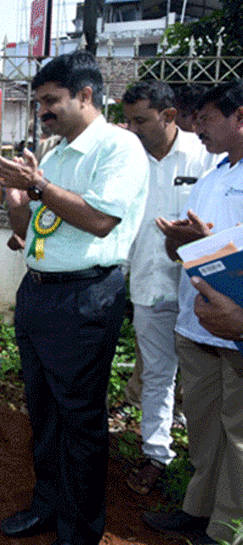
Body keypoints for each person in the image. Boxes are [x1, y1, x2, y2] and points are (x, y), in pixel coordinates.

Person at [0, 51, 148, 545]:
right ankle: (48, 507)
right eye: (39, 103)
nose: (43, 111)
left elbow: (100, 220)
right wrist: (17, 198)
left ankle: (80, 530)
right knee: (45, 412)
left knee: (79, 418)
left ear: (85, 96)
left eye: (52, 101)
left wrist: (36, 184)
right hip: (38, 295)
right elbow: (29, 232)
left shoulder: (118, 149)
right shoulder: (55, 155)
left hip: (85, 298)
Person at [146, 80, 243, 545]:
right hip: (198, 326)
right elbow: (180, 252)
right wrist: (180, 239)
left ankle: (226, 528)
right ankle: (197, 509)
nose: (196, 128)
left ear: (239, 118)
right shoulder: (212, 176)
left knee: (239, 435)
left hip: (237, 328)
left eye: (206, 118)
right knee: (205, 429)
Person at [120, 80, 217, 496]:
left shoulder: (205, 155)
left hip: (200, 286)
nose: (133, 128)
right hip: (148, 280)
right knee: (158, 371)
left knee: (204, 377)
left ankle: (206, 463)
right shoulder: (128, 160)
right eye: (128, 121)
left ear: (169, 115)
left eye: (140, 120)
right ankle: (157, 454)